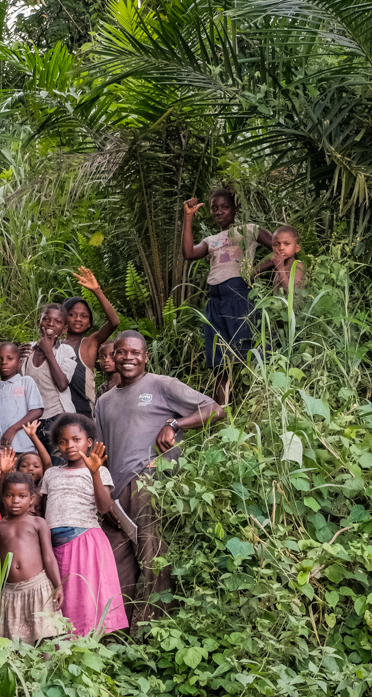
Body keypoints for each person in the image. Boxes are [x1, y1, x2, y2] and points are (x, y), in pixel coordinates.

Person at [94, 331, 222, 634]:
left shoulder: (161, 385)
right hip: (116, 491)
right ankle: (116, 634)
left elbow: (215, 409)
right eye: (122, 353)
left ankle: (154, 631)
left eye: (135, 353)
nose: (128, 358)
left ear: (146, 356)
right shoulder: (103, 402)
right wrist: (105, 494)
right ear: (113, 357)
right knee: (114, 560)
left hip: (149, 480)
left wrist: (174, 423)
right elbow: (100, 454)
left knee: (152, 553)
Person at [38, 413, 128, 638]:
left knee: (86, 602)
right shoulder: (51, 474)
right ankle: (64, 654)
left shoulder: (98, 471)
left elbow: (105, 507)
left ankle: (90, 652)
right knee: (63, 601)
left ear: (89, 442)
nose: (70, 445)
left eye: (76, 439)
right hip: (54, 547)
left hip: (85, 541)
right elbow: (43, 510)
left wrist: (95, 472)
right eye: (63, 441)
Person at [182, 188, 274, 406]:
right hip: (216, 302)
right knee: (220, 362)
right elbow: (188, 253)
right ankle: (221, 413)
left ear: (235, 209)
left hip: (240, 296)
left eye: (224, 207)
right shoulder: (211, 240)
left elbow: (280, 247)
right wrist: (188, 218)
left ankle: (260, 407)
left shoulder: (249, 230)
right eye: (214, 208)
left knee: (250, 353)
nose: (219, 212)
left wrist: (258, 270)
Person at [0, 472, 65, 644]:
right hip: (10, 592)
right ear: (3, 497)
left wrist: (58, 585)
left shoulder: (38, 523)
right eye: (9, 495)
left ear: (31, 498)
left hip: (39, 587)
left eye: (22, 496)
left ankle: (46, 670)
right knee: (15, 642)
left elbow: (49, 558)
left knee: (45, 637)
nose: (15, 501)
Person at [61, 268, 120, 416]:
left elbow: (114, 322)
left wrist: (97, 291)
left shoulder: (90, 343)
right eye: (72, 314)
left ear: (89, 323)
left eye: (84, 316)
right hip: (57, 411)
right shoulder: (54, 346)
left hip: (83, 412)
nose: (78, 319)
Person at [20, 305, 77, 454]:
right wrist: (16, 360)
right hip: (31, 420)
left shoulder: (66, 351)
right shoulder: (28, 350)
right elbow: (19, 385)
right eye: (46, 319)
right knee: (34, 467)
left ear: (64, 329)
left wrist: (48, 351)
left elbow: (62, 384)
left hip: (57, 418)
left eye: (57, 321)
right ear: (39, 322)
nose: (50, 323)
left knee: (57, 466)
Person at [0, 343, 44, 453]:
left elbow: (37, 410)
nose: (4, 362)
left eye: (10, 359)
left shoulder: (25, 381)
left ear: (19, 363)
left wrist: (13, 429)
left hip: (24, 449)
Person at [257, 225, 307, 293]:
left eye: (286, 244)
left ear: (297, 248)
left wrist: (280, 268)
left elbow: (291, 294)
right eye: (276, 244)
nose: (281, 248)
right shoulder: (279, 265)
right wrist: (268, 264)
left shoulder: (298, 266)